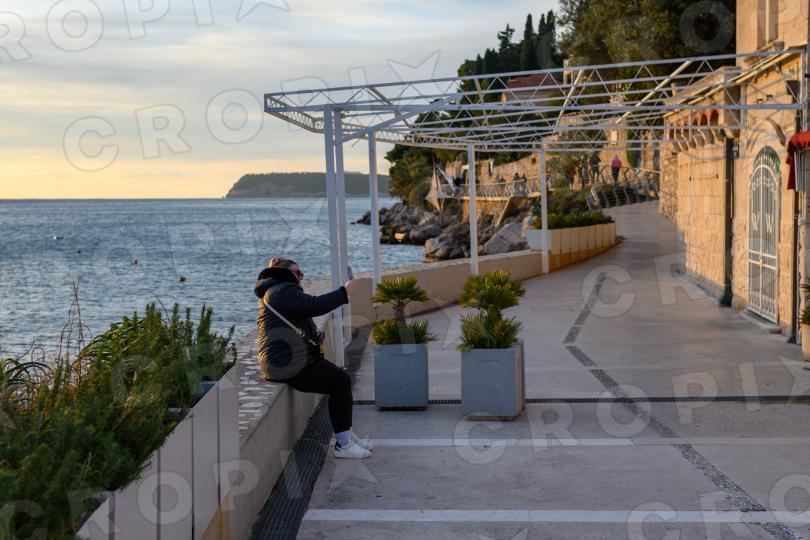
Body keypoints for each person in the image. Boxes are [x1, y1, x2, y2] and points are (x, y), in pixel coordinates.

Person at [254, 256, 372, 459]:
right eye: (297, 273)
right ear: (286, 274)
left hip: (288, 359)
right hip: (287, 363)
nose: (301, 277)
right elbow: (315, 305)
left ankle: (347, 435)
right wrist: (344, 292)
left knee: (340, 379)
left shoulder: (276, 290)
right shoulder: (283, 291)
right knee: (340, 382)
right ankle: (343, 445)